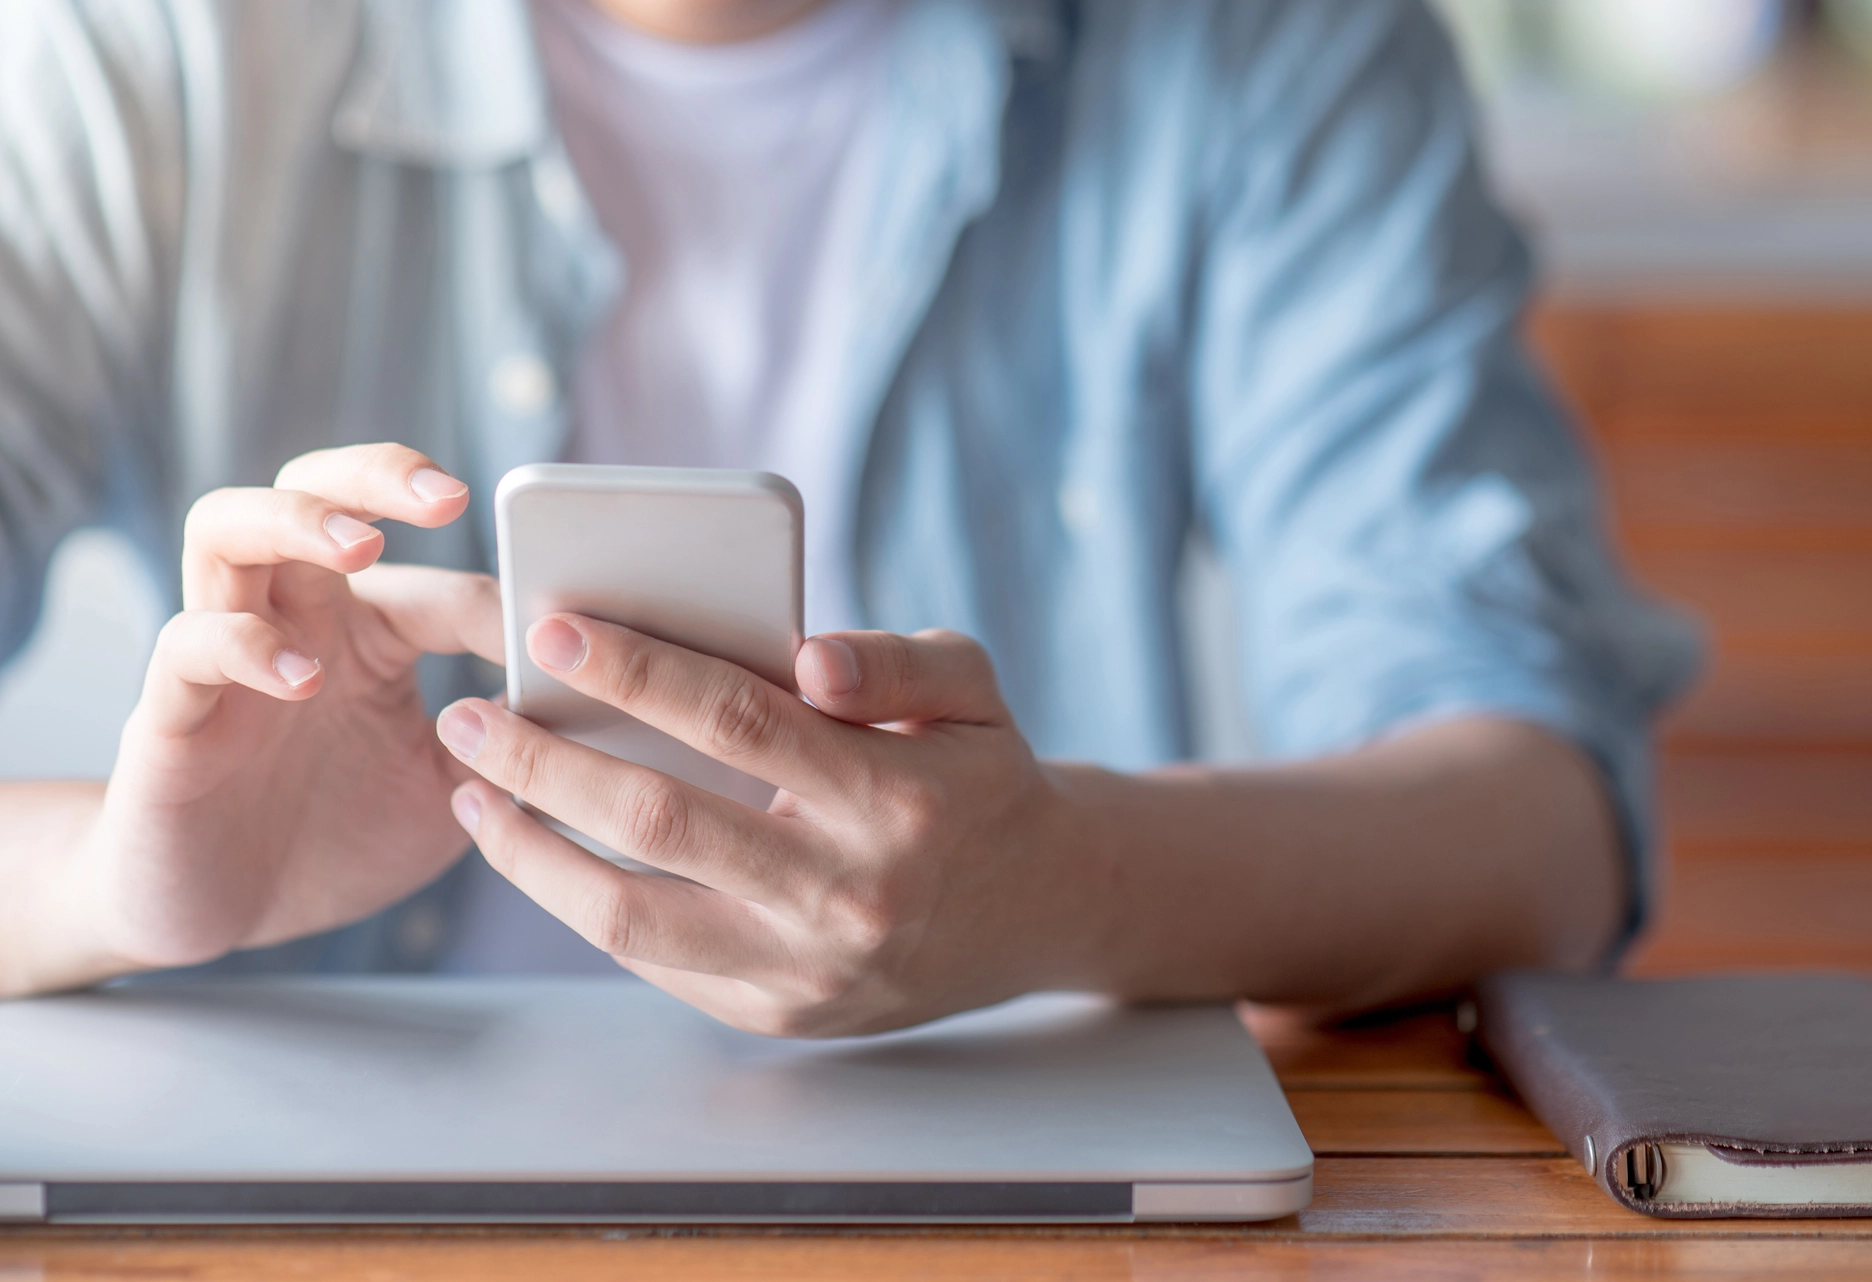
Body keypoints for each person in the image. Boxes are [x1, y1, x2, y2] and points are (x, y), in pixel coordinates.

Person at [0, 0, 1696, 1035]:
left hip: (1018, 1177)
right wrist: (119, 886)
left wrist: (1068, 885)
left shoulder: (1266, 44)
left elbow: (1546, 818)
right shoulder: (138, 43)